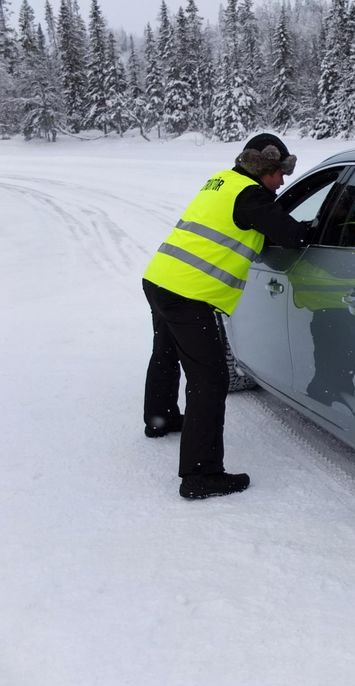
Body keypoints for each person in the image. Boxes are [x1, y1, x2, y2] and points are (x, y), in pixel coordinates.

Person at [142, 133, 312, 500]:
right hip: (187, 295)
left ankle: (161, 419)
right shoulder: (250, 196)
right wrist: (326, 224)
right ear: (263, 167)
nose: (282, 181)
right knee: (211, 379)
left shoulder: (223, 181)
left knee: (167, 351)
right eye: (278, 173)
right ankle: (200, 475)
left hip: (161, 279)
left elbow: (249, 229)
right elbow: (292, 235)